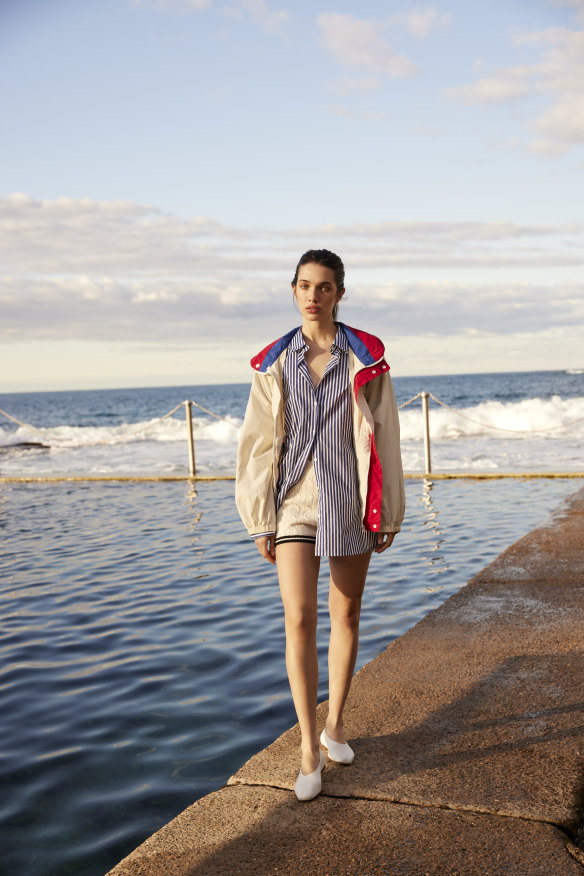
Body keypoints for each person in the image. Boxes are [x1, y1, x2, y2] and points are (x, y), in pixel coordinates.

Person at [236, 249, 405, 801]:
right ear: (293, 290)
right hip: (294, 504)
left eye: (325, 287)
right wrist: (260, 516)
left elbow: (386, 438)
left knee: (347, 611)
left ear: (339, 294)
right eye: (305, 285)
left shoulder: (365, 359)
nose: (314, 295)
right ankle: (309, 746)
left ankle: (336, 725)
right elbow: (259, 445)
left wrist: (390, 509)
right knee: (299, 618)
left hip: (349, 501)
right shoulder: (274, 363)